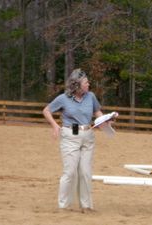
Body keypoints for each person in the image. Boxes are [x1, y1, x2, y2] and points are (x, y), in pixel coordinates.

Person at [43, 68, 103, 213]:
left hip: (88, 136)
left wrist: (104, 120)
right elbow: (46, 110)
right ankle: (63, 205)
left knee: (85, 172)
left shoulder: (91, 96)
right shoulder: (63, 98)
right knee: (70, 172)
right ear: (77, 85)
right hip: (70, 137)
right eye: (86, 82)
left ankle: (86, 205)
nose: (89, 84)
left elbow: (97, 111)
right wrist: (55, 125)